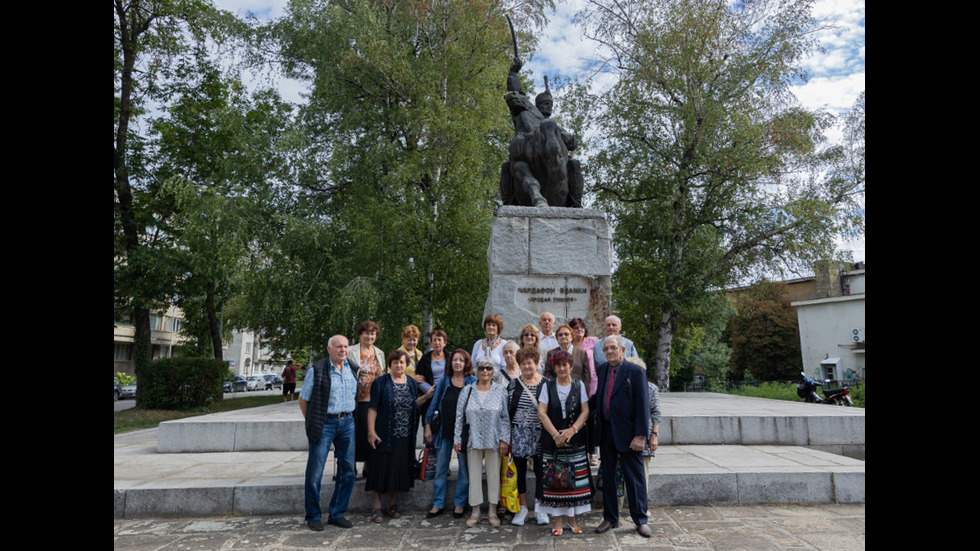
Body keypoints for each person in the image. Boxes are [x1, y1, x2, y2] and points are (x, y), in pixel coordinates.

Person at [591, 336, 652, 538]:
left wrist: (641, 435)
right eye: (606, 348)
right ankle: (610, 517)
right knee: (608, 477)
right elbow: (598, 398)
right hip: (607, 432)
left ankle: (640, 520)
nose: (610, 351)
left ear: (623, 350)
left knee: (634, 479)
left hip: (629, 435)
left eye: (613, 348)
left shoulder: (635, 372)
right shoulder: (601, 370)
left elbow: (643, 405)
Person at [299, 335, 359, 531]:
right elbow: (303, 399)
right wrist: (313, 420)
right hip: (325, 423)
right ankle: (313, 515)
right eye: (339, 347)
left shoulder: (352, 368)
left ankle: (337, 513)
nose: (343, 350)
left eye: (345, 346)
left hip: (348, 422)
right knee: (315, 471)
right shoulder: (317, 370)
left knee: (347, 471)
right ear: (329, 349)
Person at [365, 350, 428, 523]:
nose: (399, 366)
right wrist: (371, 432)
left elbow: (414, 404)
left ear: (406, 364)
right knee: (379, 468)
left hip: (405, 435)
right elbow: (372, 408)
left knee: (399, 469)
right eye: (395, 363)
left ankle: (392, 504)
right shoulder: (381, 383)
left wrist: (429, 395)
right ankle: (377, 506)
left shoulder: (411, 383)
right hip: (384, 433)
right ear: (390, 365)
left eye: (402, 362)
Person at [536, 350, 592, 536]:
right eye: (558, 365)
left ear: (570, 366)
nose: (561, 368)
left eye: (564, 365)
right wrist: (555, 435)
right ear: (555, 367)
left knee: (574, 483)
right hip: (553, 442)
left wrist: (571, 430)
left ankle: (572, 519)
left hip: (574, 441)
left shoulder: (579, 385)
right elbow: (542, 412)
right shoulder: (547, 386)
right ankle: (557, 520)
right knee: (555, 482)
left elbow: (585, 411)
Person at [454, 357, 511, 527]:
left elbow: (505, 418)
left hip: (494, 439)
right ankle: (476, 511)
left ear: (493, 371)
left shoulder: (501, 391)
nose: (485, 371)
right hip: (473, 439)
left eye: (488, 368)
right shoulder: (467, 390)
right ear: (476, 371)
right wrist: (457, 439)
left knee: (494, 475)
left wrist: (504, 440)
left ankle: (493, 511)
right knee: (474, 475)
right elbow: (459, 416)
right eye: (481, 368)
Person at [423, 349, 476, 519]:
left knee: (464, 470)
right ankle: (438, 503)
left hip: (464, 435)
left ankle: (459, 503)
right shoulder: (445, 381)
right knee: (441, 468)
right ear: (450, 362)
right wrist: (427, 424)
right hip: (444, 432)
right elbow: (434, 403)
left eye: (461, 360)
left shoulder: (472, 381)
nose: (458, 363)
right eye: (455, 360)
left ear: (466, 362)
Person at [506, 346, 549, 526]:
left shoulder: (546, 383)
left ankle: (540, 507)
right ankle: (522, 508)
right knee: (520, 471)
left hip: (540, 433)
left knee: (541, 471)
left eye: (529, 363)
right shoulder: (513, 384)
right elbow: (507, 410)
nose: (526, 366)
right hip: (518, 434)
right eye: (523, 363)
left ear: (537, 364)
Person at [349, 320, 387, 479]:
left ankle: (368, 465)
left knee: (371, 432)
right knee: (354, 435)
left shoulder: (379, 353)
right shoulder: (351, 351)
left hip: (375, 401)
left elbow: (383, 374)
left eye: (372, 333)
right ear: (360, 334)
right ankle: (350, 466)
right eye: (366, 332)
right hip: (356, 400)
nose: (369, 336)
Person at [543, 324, 591, 392]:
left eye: (566, 334)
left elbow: (586, 374)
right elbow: (547, 373)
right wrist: (555, 388)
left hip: (577, 391)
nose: (563, 336)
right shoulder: (551, 353)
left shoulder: (582, 353)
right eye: (560, 335)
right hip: (557, 391)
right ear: (557, 338)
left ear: (572, 336)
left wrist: (581, 389)